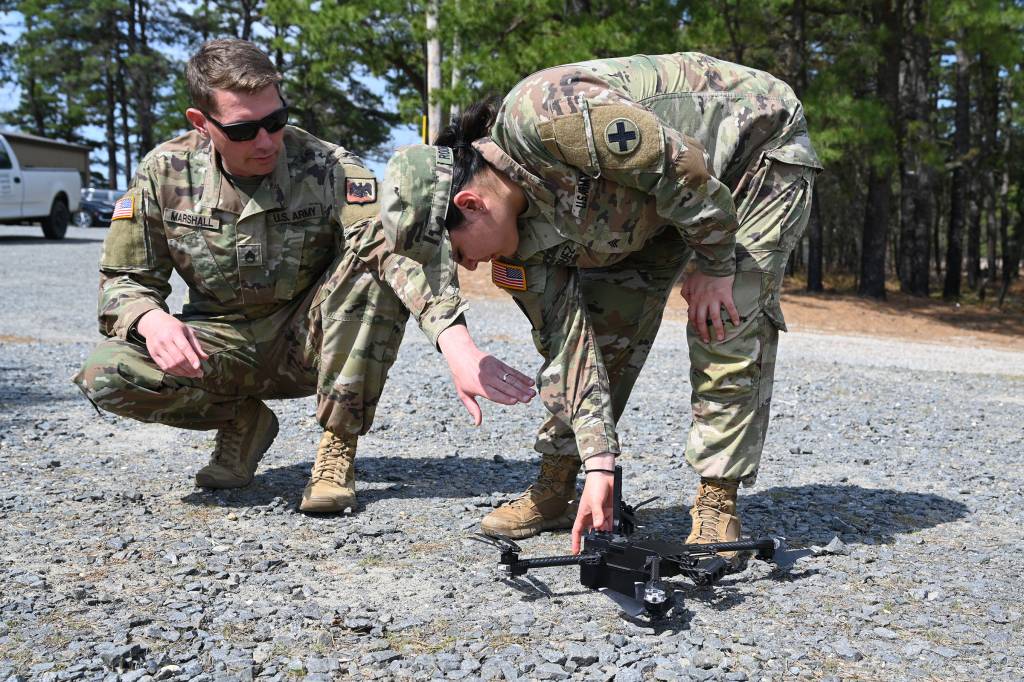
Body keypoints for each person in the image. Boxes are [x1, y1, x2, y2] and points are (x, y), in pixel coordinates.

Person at [379, 52, 821, 557]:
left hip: (748, 150)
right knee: (609, 326)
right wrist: (599, 462)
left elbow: (683, 166)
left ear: (471, 205)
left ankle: (718, 500)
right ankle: (560, 482)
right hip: (653, 206)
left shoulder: (548, 117)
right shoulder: (514, 242)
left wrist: (716, 263)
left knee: (723, 316)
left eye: (458, 254)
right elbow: (569, 349)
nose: (471, 268)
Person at [73, 39, 534, 513]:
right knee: (104, 373)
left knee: (374, 264)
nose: (267, 140)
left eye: (275, 120)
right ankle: (241, 419)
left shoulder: (326, 166)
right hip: (220, 348)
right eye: (244, 129)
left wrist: (455, 343)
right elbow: (123, 279)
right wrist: (151, 320)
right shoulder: (163, 173)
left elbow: (394, 249)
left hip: (309, 342)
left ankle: (338, 445)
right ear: (201, 123)